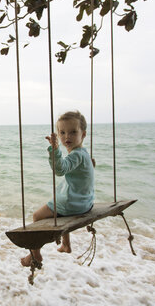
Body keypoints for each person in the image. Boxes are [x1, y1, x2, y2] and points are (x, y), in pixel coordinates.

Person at [21, 110, 95, 267]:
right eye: (62, 132)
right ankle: (66, 245)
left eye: (73, 132)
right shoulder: (83, 152)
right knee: (59, 205)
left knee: (37, 216)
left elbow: (60, 169)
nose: (67, 136)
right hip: (86, 203)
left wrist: (55, 150)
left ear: (83, 134)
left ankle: (35, 255)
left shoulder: (75, 155)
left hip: (73, 204)